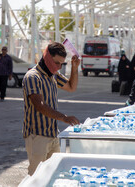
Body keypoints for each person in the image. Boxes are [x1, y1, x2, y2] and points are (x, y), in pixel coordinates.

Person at [22, 42, 80, 176]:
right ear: (47, 57)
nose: (58, 67)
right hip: (37, 136)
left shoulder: (53, 75)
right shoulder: (33, 77)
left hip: (52, 134)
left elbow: (71, 87)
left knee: (53, 174)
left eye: (61, 64)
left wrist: (74, 68)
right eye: (56, 63)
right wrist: (64, 118)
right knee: (36, 177)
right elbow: (40, 105)